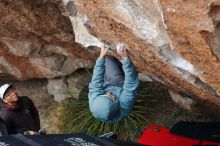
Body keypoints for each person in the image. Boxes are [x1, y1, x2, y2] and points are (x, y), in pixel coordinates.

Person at [88, 43, 140, 123]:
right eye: (111, 97)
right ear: (116, 104)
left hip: (105, 85)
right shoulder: (125, 103)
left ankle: (115, 65)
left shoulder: (94, 103)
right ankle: (120, 66)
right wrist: (125, 59)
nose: (108, 93)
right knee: (110, 62)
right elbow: (131, 84)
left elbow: (96, 81)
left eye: (105, 95)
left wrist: (101, 57)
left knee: (105, 59)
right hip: (119, 86)